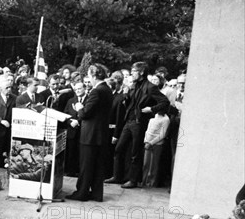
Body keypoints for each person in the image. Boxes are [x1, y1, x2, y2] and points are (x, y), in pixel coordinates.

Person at [105, 62, 169, 188]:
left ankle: (133, 180)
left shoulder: (150, 87)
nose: (131, 73)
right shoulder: (133, 85)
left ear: (141, 72)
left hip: (139, 123)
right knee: (119, 149)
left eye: (134, 71)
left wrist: (151, 109)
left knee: (135, 153)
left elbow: (164, 101)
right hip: (129, 122)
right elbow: (129, 102)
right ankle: (117, 176)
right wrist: (126, 95)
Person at [66, 64, 113, 202]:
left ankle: (82, 193)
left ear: (94, 76)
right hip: (101, 134)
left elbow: (85, 114)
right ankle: (97, 194)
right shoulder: (107, 89)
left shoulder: (96, 91)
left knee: (86, 166)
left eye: (89, 76)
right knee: (98, 166)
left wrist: (80, 108)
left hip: (90, 135)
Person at [141, 111, 170, 187]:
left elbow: (163, 134)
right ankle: (144, 181)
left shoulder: (166, 119)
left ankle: (151, 183)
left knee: (154, 165)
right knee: (146, 163)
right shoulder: (155, 116)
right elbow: (148, 130)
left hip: (156, 144)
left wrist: (151, 143)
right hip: (148, 142)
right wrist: (146, 141)